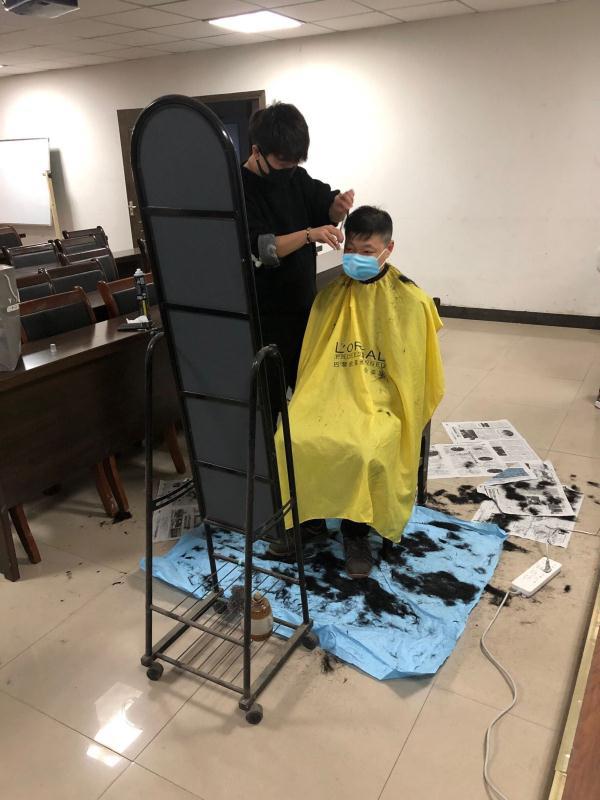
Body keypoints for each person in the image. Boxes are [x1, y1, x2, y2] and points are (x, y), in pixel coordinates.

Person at [274, 206, 444, 578]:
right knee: (292, 435)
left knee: (364, 447)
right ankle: (310, 519)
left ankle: (356, 532)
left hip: (383, 398)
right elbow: (313, 362)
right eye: (350, 250)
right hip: (330, 392)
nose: (356, 258)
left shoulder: (411, 300)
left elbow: (416, 376)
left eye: (367, 252)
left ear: (389, 249)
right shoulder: (329, 297)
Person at [241, 102, 355, 419]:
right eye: (282, 162)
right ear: (256, 150)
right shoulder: (239, 190)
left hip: (303, 309)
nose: (289, 169)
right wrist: (308, 234)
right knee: (269, 404)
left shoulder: (296, 177)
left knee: (309, 396)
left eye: (295, 162)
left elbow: (324, 206)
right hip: (264, 317)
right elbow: (262, 248)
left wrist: (337, 208)